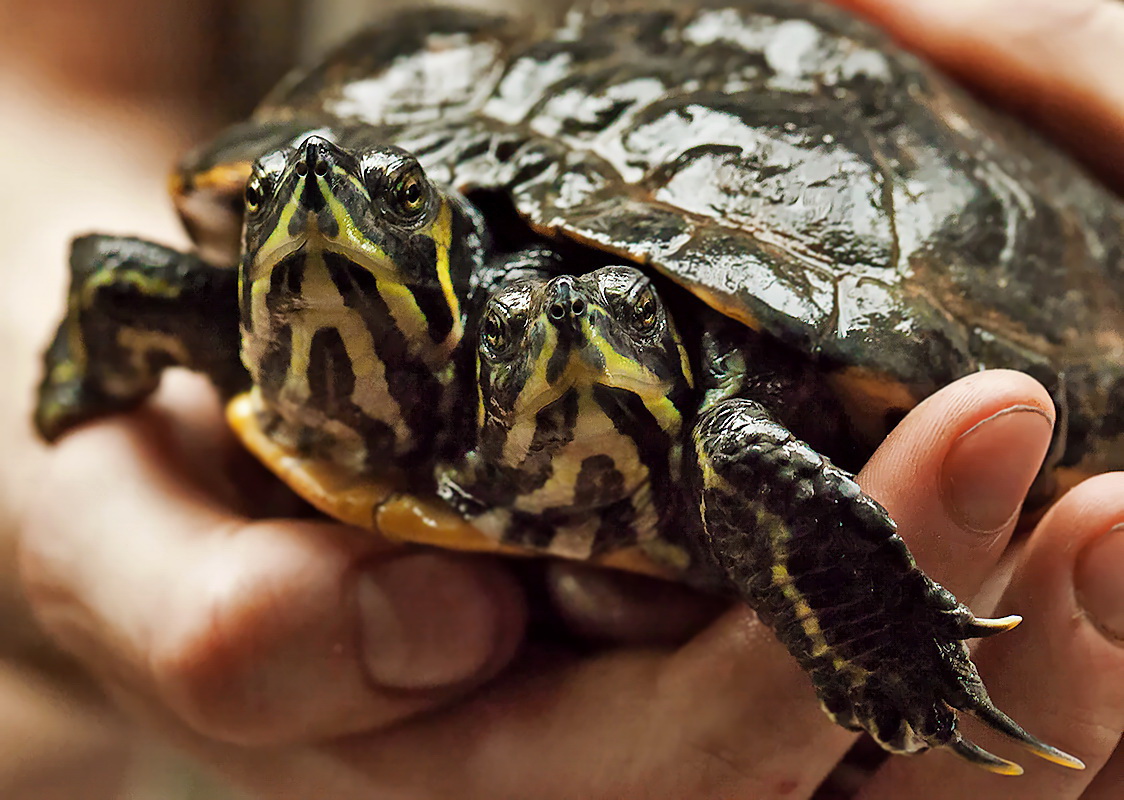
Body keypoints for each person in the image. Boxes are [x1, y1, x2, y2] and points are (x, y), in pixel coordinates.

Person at [11, 1, 1124, 798]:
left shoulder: (719, 418)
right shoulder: (278, 309)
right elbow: (67, 97)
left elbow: (739, 428)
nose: (308, 190)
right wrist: (43, 486)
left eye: (390, 201)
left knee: (740, 441)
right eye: (273, 204)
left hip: (871, 170)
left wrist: (874, 636)